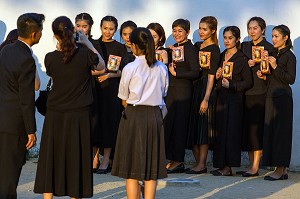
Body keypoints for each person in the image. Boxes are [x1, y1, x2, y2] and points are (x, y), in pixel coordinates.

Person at [34, 16, 105, 198]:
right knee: (77, 158)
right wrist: (87, 42)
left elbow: (55, 70)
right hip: (79, 114)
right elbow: (102, 67)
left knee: (52, 157)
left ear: (55, 35)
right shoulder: (85, 54)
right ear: (73, 31)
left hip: (55, 114)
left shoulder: (50, 58)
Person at [111, 27, 168, 199]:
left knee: (131, 168)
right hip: (154, 116)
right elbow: (164, 92)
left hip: (134, 115)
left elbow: (123, 97)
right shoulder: (161, 68)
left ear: (134, 46)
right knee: (152, 167)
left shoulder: (130, 67)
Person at [0, 13, 44, 199]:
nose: (42, 34)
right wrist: (31, 130)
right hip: (13, 123)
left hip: (2, 117)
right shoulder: (26, 59)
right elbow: (26, 99)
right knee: (10, 173)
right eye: (41, 30)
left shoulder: (5, 50)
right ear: (34, 34)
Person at [211, 26, 252, 176]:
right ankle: (221, 165)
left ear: (237, 39)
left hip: (235, 100)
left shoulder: (242, 58)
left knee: (231, 132)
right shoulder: (222, 56)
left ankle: (228, 167)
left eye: (230, 38)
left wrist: (232, 85)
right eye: (225, 38)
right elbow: (218, 80)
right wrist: (217, 75)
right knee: (220, 131)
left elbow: (248, 82)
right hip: (221, 98)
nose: (227, 41)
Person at [258, 25, 296, 181]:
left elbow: (290, 79)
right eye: (272, 36)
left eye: (276, 36)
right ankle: (281, 169)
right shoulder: (275, 53)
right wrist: (264, 75)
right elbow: (275, 78)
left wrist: (275, 66)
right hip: (271, 96)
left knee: (281, 133)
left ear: (285, 37)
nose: (273, 39)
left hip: (283, 99)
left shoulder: (289, 56)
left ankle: (280, 170)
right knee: (271, 132)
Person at [240, 17, 275, 177]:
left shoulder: (269, 47)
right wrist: (245, 64)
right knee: (247, 130)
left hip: (260, 92)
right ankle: (250, 165)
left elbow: (274, 73)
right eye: (250, 28)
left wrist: (264, 71)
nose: (252, 31)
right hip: (244, 92)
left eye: (255, 28)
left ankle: (255, 166)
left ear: (263, 29)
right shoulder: (244, 46)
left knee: (257, 129)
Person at [164, 19, 200, 173]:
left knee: (179, 127)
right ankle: (171, 159)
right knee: (168, 126)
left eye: (180, 30)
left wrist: (176, 73)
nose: (176, 34)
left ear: (187, 32)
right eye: (174, 30)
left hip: (183, 92)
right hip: (171, 91)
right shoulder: (174, 48)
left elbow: (195, 72)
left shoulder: (190, 48)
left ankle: (178, 161)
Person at [93, 15, 127, 174]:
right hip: (94, 89)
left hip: (112, 90)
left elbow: (125, 71)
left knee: (109, 124)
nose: (108, 32)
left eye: (111, 29)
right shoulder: (93, 44)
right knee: (94, 124)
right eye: (105, 28)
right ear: (100, 27)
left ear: (115, 30)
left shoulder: (120, 47)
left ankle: (106, 159)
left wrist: (108, 75)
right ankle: (94, 158)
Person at [186, 16, 220, 174]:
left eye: (204, 29)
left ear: (212, 30)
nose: (201, 31)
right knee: (193, 126)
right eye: (200, 28)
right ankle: (198, 163)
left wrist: (206, 98)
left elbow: (212, 75)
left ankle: (202, 164)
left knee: (203, 127)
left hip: (206, 88)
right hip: (194, 87)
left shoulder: (214, 49)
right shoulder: (197, 45)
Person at [74, 12, 102, 173]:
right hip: (75, 89)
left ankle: (95, 157)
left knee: (93, 122)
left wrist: (84, 72)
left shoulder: (94, 44)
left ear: (90, 27)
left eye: (84, 26)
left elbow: (101, 68)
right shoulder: (70, 43)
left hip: (92, 87)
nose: (81, 29)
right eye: (78, 26)